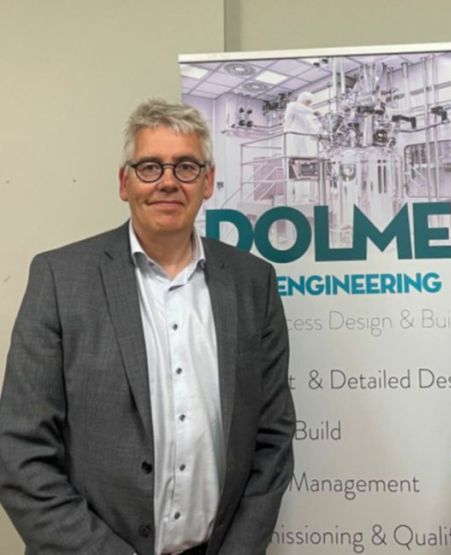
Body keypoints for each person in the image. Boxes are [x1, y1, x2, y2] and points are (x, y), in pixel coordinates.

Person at [0, 99, 296, 555]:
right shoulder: (60, 279)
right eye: (150, 167)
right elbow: (20, 450)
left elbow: (272, 438)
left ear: (208, 182)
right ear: (125, 182)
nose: (168, 182)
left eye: (186, 167)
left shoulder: (253, 283)